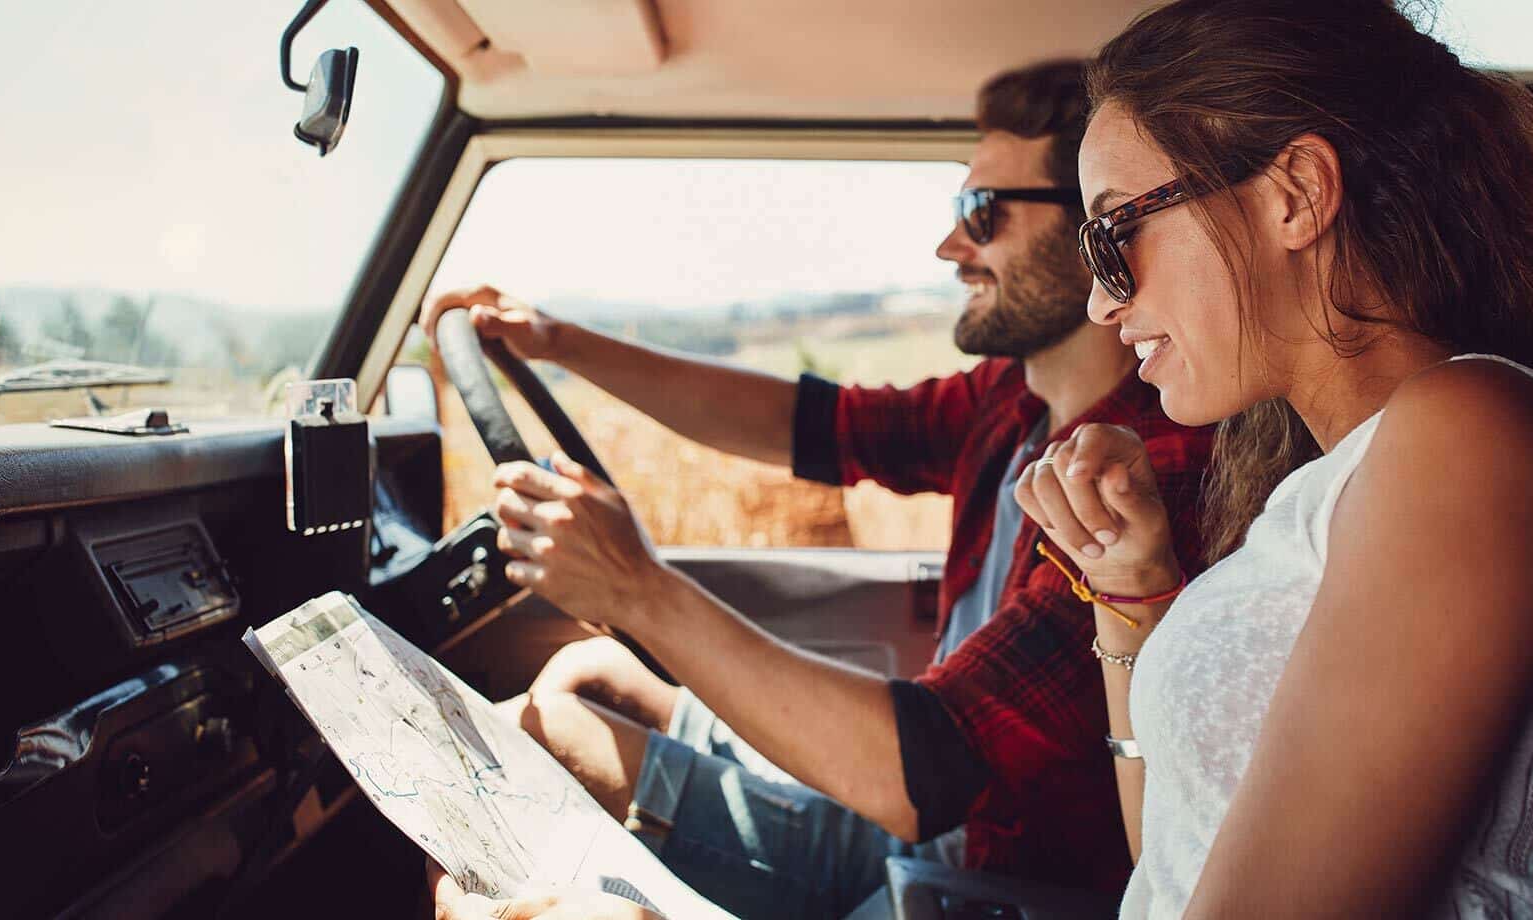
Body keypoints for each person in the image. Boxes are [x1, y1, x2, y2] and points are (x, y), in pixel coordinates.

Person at [425, 61, 1213, 919]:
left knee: (532, 759)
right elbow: (806, 424)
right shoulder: (1010, 404)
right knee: (584, 672)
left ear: (1090, 226)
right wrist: (558, 341)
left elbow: (925, 775)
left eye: (980, 214)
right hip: (926, 817)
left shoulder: (1138, 472)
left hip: (982, 873)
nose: (952, 247)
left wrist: (638, 588)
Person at [1012, 0, 1533, 916]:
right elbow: (1179, 856)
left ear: (1296, 193)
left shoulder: (1467, 433)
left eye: (1116, 234)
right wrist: (1134, 590)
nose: (1104, 307)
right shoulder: (1339, 479)